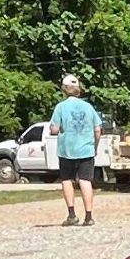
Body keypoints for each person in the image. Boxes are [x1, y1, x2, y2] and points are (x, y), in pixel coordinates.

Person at [47, 74, 101, 226]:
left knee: (66, 180)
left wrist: (53, 129)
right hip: (86, 149)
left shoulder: (60, 107)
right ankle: (89, 216)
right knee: (85, 180)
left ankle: (72, 215)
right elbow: (97, 129)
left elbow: (55, 129)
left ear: (64, 89)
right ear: (78, 89)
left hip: (67, 150)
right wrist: (94, 146)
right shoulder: (88, 107)